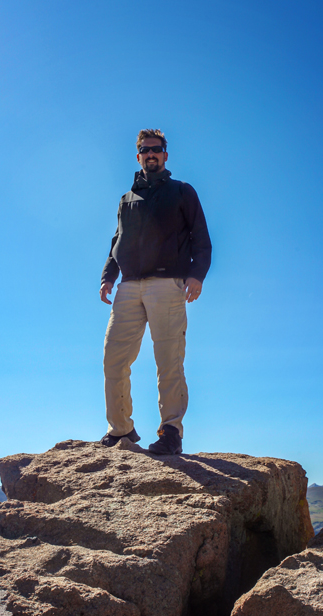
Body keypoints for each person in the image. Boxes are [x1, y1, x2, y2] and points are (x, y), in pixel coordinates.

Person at [98, 129, 211, 456]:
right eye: (145, 150)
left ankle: (171, 432)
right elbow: (116, 243)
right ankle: (120, 429)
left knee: (168, 360)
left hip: (168, 284)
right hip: (129, 286)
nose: (151, 154)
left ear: (165, 155)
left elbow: (201, 237)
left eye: (157, 150)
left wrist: (196, 275)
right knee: (113, 358)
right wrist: (108, 276)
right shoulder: (127, 200)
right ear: (138, 157)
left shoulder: (181, 192)